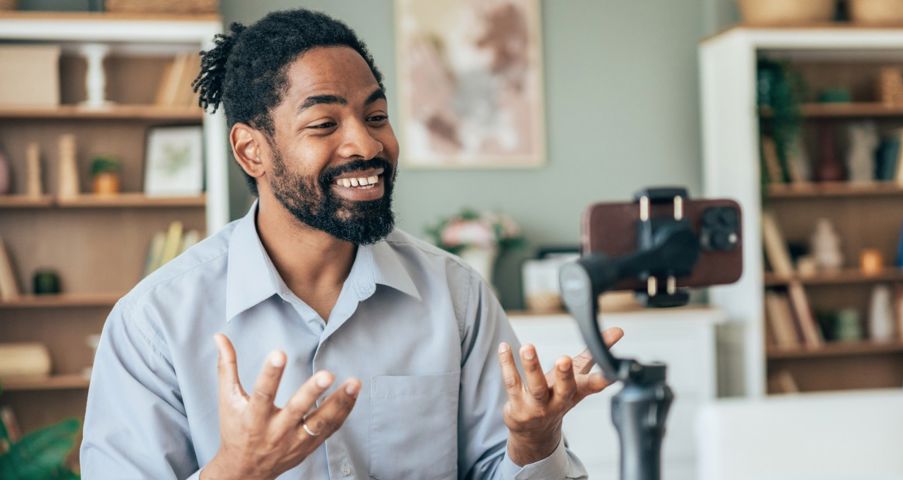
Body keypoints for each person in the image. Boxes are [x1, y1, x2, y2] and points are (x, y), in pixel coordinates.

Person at [80, 9, 622, 479]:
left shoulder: (456, 295)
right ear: (251, 151)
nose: (367, 143)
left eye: (377, 116)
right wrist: (237, 471)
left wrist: (534, 441)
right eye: (323, 124)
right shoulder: (153, 326)